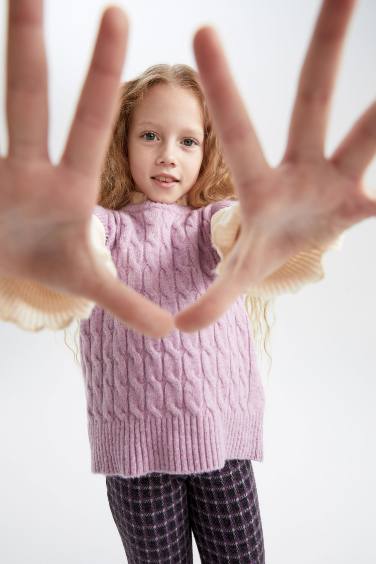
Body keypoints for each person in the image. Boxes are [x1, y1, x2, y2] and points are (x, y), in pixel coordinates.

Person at [0, 0, 375, 563]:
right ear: (124, 144)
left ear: (207, 150)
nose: (168, 156)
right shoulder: (109, 229)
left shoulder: (209, 223)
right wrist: (38, 242)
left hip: (222, 447)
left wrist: (277, 231)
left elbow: (236, 233)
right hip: (136, 460)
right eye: (150, 135)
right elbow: (82, 245)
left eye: (187, 140)